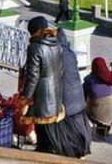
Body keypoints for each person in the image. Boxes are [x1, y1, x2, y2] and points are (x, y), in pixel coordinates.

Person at [20, 16, 70, 155]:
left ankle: (44, 155)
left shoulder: (35, 47)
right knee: (52, 131)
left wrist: (25, 97)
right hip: (56, 92)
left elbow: (32, 77)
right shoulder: (56, 44)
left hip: (42, 97)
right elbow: (61, 71)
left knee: (43, 133)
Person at [52, 28, 91, 156]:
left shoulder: (55, 55)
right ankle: (83, 149)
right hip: (78, 96)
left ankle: (72, 154)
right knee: (80, 128)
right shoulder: (71, 53)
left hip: (67, 99)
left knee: (68, 132)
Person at [82, 57, 112, 137]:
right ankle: (107, 124)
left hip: (95, 114)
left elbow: (83, 96)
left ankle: (100, 125)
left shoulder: (89, 80)